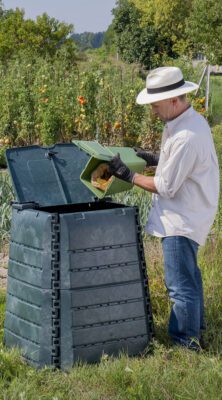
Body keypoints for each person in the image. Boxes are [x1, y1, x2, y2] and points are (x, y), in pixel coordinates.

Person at [108, 66, 220, 350]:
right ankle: (195, 332)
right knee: (190, 281)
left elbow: (167, 186)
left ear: (174, 100)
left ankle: (185, 344)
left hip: (181, 218)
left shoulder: (185, 136)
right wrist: (155, 157)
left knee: (179, 286)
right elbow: (181, 165)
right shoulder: (191, 123)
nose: (153, 112)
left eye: (156, 105)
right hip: (190, 212)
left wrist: (129, 176)